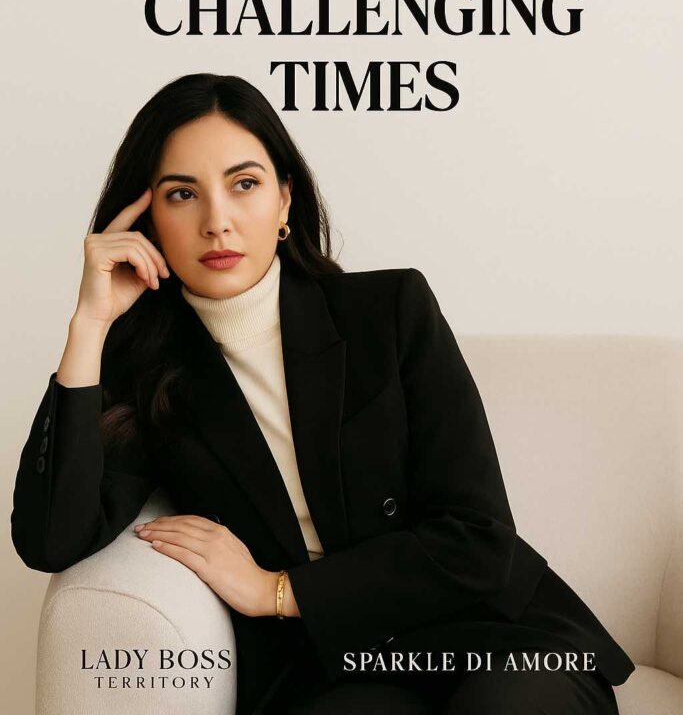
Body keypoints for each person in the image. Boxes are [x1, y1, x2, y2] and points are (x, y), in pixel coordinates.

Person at [11, 72, 634, 714]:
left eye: (244, 184)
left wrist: (278, 590)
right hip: (331, 667)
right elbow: (53, 540)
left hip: (491, 635)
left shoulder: (388, 311)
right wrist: (89, 325)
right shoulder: (149, 372)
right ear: (148, 220)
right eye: (181, 194)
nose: (216, 222)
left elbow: (477, 538)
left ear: (284, 201)